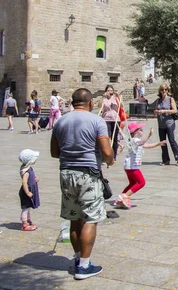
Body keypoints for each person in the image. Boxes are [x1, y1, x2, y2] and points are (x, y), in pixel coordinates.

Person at [50, 88, 115, 280]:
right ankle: (84, 266)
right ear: (91, 103)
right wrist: (110, 160)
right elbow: (106, 151)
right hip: (88, 174)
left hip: (66, 173)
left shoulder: (61, 121)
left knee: (74, 218)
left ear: (72, 102)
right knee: (91, 218)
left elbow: (54, 152)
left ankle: (78, 258)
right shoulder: (97, 121)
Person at [114, 122, 166, 209]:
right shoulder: (135, 140)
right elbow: (143, 142)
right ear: (135, 132)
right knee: (141, 182)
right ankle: (124, 197)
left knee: (133, 183)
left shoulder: (137, 141)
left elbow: (147, 145)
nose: (142, 131)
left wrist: (158, 144)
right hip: (132, 167)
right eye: (140, 129)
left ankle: (121, 199)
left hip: (130, 166)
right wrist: (149, 135)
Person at [155, 84, 178, 166]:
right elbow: (156, 109)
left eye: (165, 89)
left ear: (167, 90)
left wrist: (164, 111)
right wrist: (156, 112)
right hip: (161, 124)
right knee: (163, 142)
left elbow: (174, 111)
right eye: (162, 90)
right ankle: (165, 160)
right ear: (160, 91)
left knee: (172, 141)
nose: (164, 91)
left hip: (169, 124)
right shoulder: (158, 100)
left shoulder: (170, 99)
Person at [18, 149, 40, 231]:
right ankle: (24, 224)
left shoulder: (29, 168)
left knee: (28, 208)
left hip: (30, 190)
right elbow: (24, 182)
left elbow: (32, 176)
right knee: (25, 208)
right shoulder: (26, 171)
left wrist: (35, 178)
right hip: (26, 191)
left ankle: (28, 220)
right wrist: (27, 192)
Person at [98, 85, 120, 157]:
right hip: (106, 119)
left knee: (115, 137)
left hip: (115, 119)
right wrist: (103, 97)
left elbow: (121, 106)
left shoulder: (115, 98)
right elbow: (99, 106)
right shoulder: (104, 99)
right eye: (108, 90)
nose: (110, 92)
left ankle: (114, 155)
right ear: (106, 91)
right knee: (107, 136)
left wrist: (118, 97)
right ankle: (106, 154)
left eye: (111, 91)